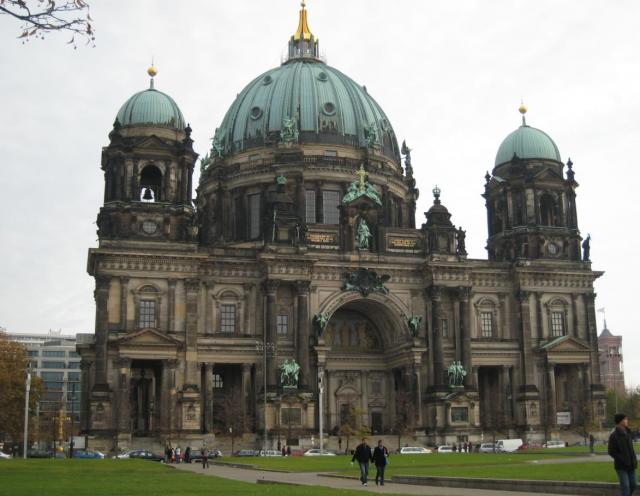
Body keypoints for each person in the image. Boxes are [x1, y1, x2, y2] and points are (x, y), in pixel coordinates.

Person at [608, 413, 637, 496]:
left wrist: (633, 459)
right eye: (625, 419)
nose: (627, 421)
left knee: (633, 484)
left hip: (631, 464)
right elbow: (611, 451)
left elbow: (631, 449)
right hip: (621, 466)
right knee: (625, 486)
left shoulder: (628, 433)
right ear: (620, 421)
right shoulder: (614, 436)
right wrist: (622, 459)